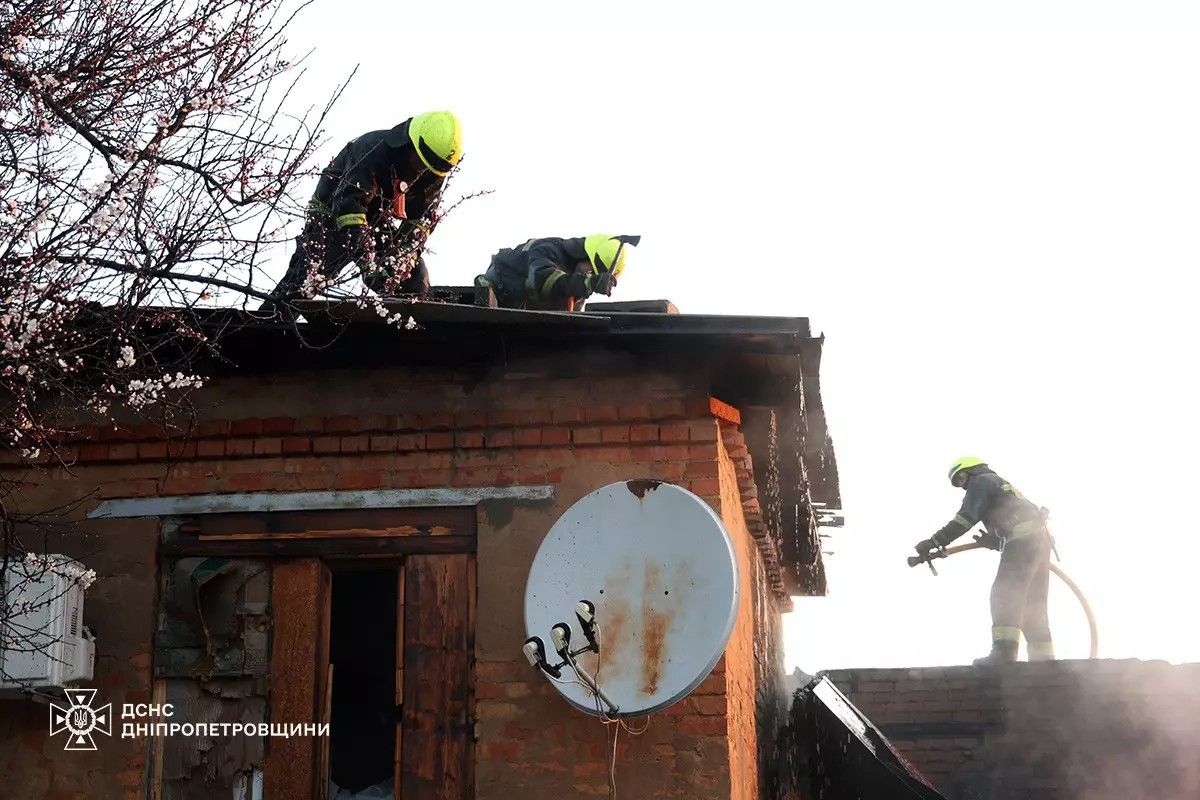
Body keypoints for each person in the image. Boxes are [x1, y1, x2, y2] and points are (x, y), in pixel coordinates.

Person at [265, 110, 463, 305]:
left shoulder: (433, 171)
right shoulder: (371, 148)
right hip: (333, 214)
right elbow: (349, 206)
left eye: (429, 168)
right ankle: (269, 322)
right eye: (421, 163)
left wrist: (403, 258)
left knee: (414, 279)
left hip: (376, 221)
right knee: (305, 280)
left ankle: (401, 333)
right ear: (410, 145)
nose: (422, 171)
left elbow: (421, 220)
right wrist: (368, 264)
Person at [914, 456, 1055, 664]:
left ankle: (1004, 654)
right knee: (1034, 602)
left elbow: (965, 518)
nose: (963, 486)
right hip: (1040, 543)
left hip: (1022, 541)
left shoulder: (982, 481)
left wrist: (934, 541)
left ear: (971, 470)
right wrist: (996, 542)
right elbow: (1017, 522)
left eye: (961, 479)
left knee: (1005, 595)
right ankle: (1043, 660)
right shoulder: (999, 485)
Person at [474, 234, 641, 311]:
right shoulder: (549, 249)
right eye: (591, 270)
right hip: (498, 297)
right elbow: (544, 282)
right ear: (584, 256)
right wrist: (589, 283)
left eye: (594, 276)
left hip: (521, 317)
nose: (590, 275)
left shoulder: (576, 286)